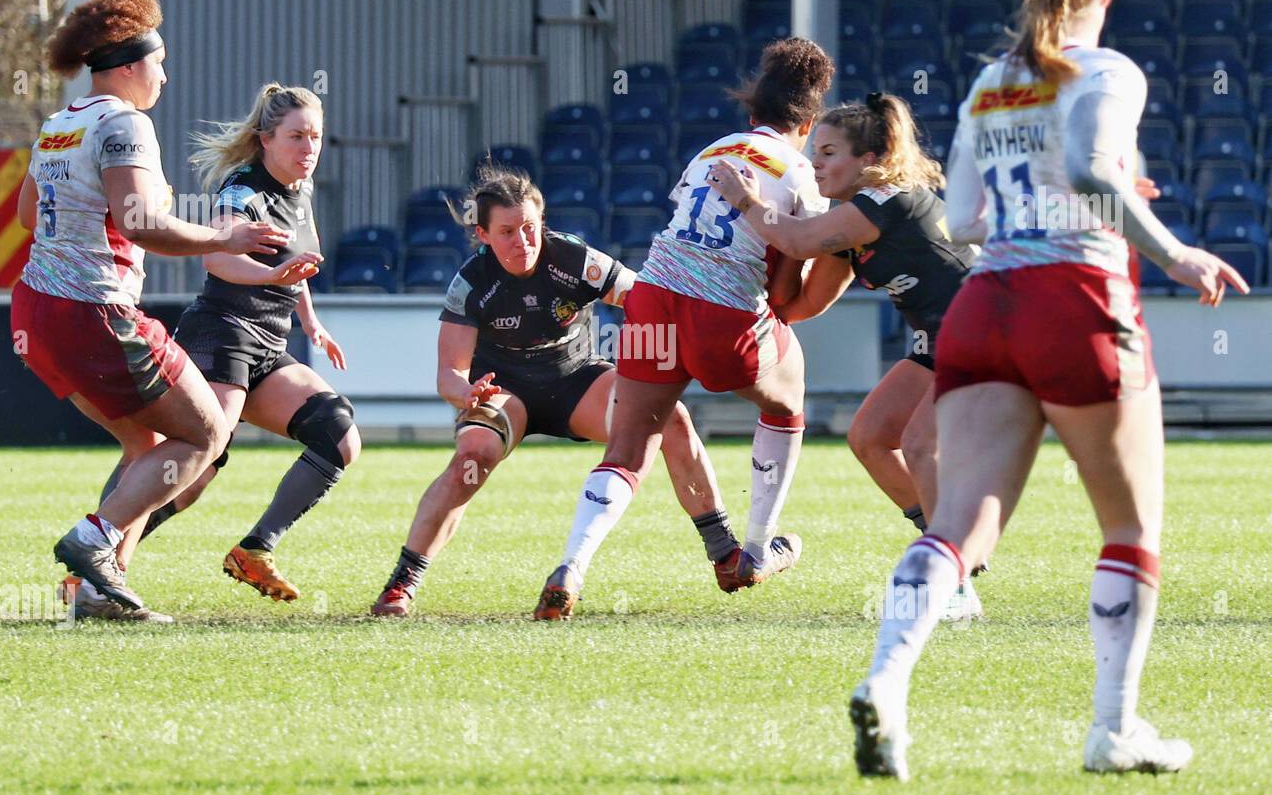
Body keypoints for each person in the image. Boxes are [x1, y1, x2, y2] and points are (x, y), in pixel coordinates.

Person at [844, 0, 1248, 780]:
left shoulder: (992, 81)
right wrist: (1176, 252)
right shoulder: (1107, 68)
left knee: (955, 522)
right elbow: (1096, 169)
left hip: (986, 303)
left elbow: (961, 219)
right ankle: (1113, 730)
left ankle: (885, 682)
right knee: (1131, 525)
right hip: (1075, 298)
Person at [10, 0, 289, 622]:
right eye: (160, 63)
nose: (165, 74)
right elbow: (140, 223)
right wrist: (225, 235)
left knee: (149, 443)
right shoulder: (124, 122)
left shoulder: (61, 123)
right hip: (93, 311)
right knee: (207, 433)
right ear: (132, 65)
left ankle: (98, 594)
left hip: (35, 312)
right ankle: (93, 541)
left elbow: (29, 214)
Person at [534, 37, 835, 620]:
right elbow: (784, 277)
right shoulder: (801, 171)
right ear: (809, 120)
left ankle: (572, 565)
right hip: (720, 315)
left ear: (753, 111)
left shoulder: (712, 149)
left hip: (651, 298)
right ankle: (754, 549)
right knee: (788, 390)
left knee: (626, 451)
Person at [370, 166, 735, 618]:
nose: (522, 241)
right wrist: (465, 395)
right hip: (503, 391)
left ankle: (725, 552)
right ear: (482, 234)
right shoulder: (470, 283)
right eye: (506, 232)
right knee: (472, 458)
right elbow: (449, 374)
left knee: (672, 417)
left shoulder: (573, 258)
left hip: (577, 380)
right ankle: (401, 584)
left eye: (530, 228)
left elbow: (641, 296)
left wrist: (674, 339)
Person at [709, 93, 983, 619]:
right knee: (870, 436)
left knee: (921, 445)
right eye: (815, 150)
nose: (814, 162)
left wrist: (748, 201)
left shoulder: (885, 201)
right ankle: (949, 544)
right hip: (940, 337)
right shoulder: (850, 221)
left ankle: (954, 581)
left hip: (982, 326)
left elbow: (796, 238)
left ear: (872, 160)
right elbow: (808, 299)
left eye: (829, 152)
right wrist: (753, 302)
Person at [89, 83, 357, 604]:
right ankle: (99, 561)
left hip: (268, 347)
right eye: (297, 136)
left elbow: (295, 269)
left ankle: (255, 550)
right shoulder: (243, 190)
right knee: (191, 468)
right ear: (265, 140)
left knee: (339, 434)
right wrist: (276, 274)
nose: (309, 148)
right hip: (223, 335)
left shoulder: (300, 191)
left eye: (317, 137)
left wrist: (312, 322)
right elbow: (218, 259)